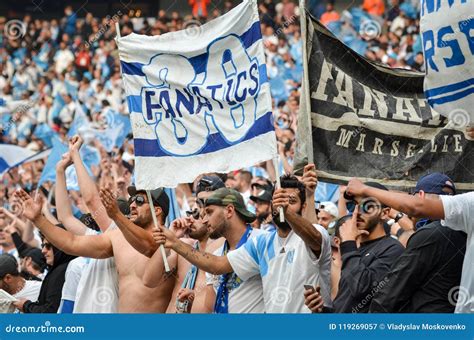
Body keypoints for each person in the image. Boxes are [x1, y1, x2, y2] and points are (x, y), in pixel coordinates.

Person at [155, 175, 332, 313]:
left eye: (291, 201)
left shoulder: (315, 234)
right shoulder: (262, 242)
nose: (282, 204)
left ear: (303, 207)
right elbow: (216, 265)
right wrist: (174, 243)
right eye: (278, 200)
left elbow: (314, 237)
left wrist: (287, 211)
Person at [14, 188, 175, 313]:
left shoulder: (173, 244)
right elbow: (72, 242)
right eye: (132, 200)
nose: (132, 204)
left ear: (157, 210)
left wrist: (117, 216)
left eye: (139, 200)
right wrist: (38, 220)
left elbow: (150, 246)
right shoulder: (118, 238)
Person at [346, 177, 473, 313]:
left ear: (421, 196)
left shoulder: (429, 236)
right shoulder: (464, 230)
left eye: (368, 205)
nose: (357, 212)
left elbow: (390, 295)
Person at [154, 188, 267, 313]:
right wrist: (189, 304)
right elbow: (208, 310)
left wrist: (175, 242)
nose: (204, 220)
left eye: (209, 212)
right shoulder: (217, 254)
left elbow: (217, 265)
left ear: (229, 211)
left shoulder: (261, 241)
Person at [333, 182, 404, 313]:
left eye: (367, 206)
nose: (357, 212)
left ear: (384, 213)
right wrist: (322, 309)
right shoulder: (355, 249)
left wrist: (348, 243)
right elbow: (347, 303)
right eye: (353, 205)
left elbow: (361, 288)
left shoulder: (393, 249)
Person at [13, 232, 76, 313]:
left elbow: (50, 311)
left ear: (59, 245)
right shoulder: (57, 269)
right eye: (43, 246)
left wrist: (26, 305)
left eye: (48, 246)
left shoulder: (62, 271)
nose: (43, 251)